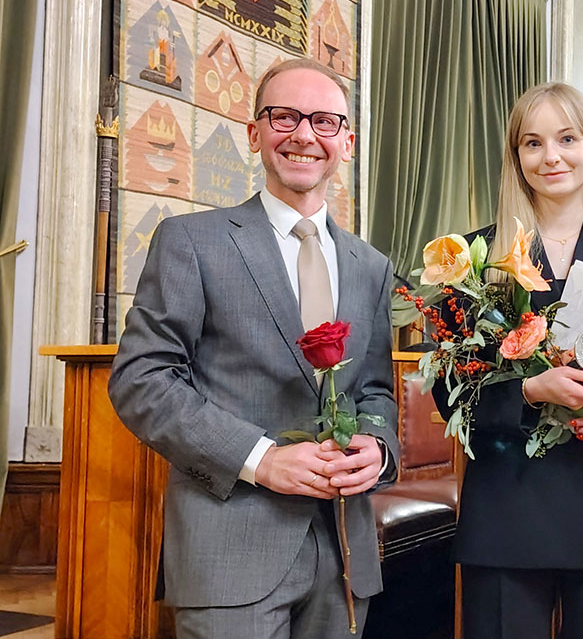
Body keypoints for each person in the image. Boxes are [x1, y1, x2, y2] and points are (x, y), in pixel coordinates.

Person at [109, 58, 399, 638]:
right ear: (255, 133)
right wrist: (261, 459)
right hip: (230, 550)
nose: (303, 135)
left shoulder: (372, 266)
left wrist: (378, 448)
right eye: (284, 116)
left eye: (323, 121)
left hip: (343, 557)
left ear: (346, 141)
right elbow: (141, 379)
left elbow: (374, 390)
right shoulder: (192, 241)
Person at [438, 82, 583, 639]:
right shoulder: (473, 258)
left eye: (567, 138)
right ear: (516, 156)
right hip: (508, 507)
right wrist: (530, 391)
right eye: (533, 143)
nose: (551, 157)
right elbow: (450, 397)